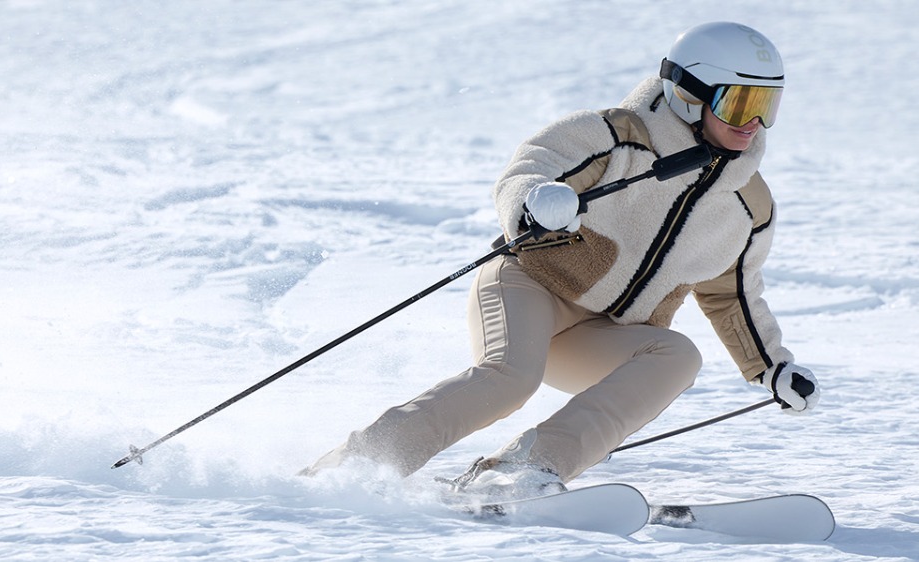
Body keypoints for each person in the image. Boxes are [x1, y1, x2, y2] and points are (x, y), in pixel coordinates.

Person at [302, 22, 820, 499]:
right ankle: (354, 467)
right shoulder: (615, 136)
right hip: (532, 284)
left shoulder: (748, 206)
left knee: (678, 355)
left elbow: (732, 296)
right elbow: (530, 169)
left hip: (602, 334)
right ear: (690, 95)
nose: (754, 124)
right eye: (739, 104)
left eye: (766, 106)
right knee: (508, 379)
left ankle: (527, 468)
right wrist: (534, 203)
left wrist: (771, 367)